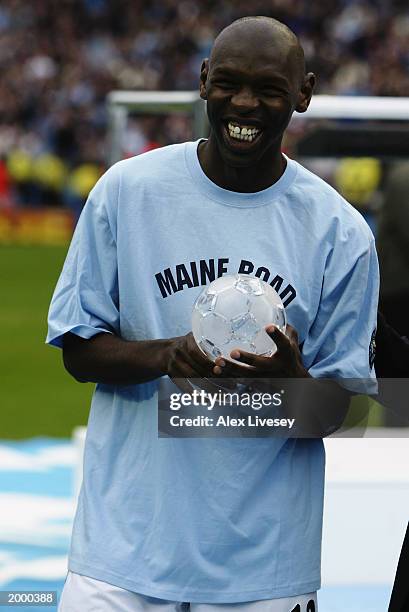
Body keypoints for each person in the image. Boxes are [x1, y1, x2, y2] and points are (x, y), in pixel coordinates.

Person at [47, 16, 379, 611]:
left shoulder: (340, 233)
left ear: (303, 93)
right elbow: (78, 349)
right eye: (228, 83)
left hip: (262, 567)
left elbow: (342, 408)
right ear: (203, 81)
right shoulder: (127, 192)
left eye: (270, 89)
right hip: (122, 553)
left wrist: (293, 389)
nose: (244, 104)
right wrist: (164, 354)